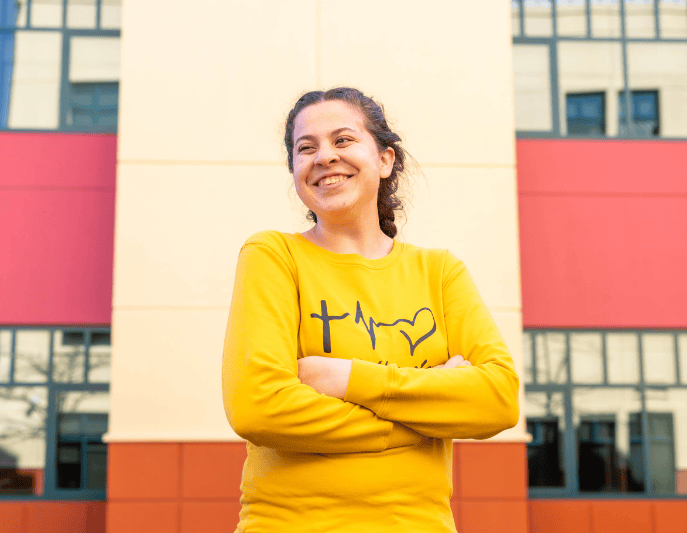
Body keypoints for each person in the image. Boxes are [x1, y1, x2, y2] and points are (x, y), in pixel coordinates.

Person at [222, 87, 519, 533]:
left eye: (342, 140)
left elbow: (498, 399)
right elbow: (258, 406)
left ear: (385, 159)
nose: (324, 156)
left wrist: (346, 379)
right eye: (306, 148)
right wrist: (425, 413)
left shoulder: (439, 272)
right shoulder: (273, 256)